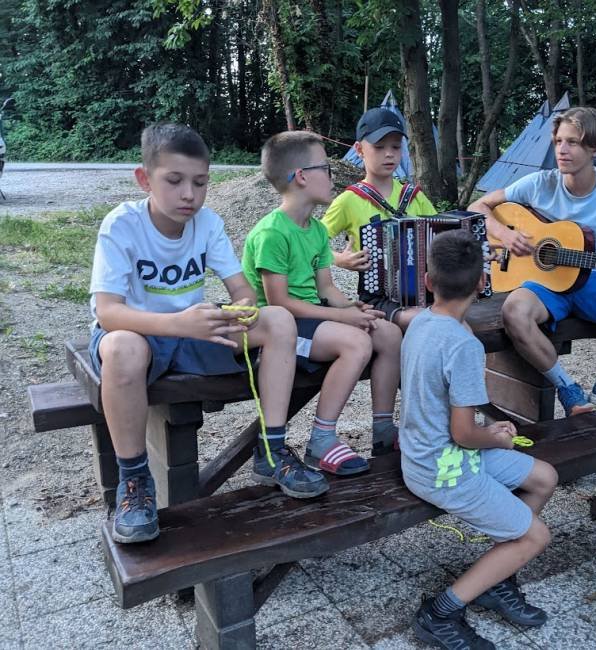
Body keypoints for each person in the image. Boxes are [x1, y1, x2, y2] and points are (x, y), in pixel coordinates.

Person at [89, 123, 302, 544]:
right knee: (122, 348)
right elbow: (108, 312)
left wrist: (242, 310)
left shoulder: (207, 223)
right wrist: (178, 324)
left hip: (192, 334)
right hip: (138, 334)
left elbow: (242, 290)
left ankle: (272, 447)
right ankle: (134, 480)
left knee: (279, 320)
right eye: (175, 181)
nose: (189, 194)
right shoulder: (123, 224)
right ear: (144, 179)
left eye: (200, 183)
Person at [400, 229, 558, 649]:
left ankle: (496, 578)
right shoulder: (462, 347)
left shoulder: (421, 322)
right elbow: (465, 433)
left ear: (428, 282)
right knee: (537, 536)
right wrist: (496, 437)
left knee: (544, 477)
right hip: (442, 469)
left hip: (430, 455)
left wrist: (486, 437)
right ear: (482, 283)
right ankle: (440, 613)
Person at [468, 106, 596, 422]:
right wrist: (505, 234)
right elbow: (478, 206)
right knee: (514, 311)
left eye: (572, 142)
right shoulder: (538, 183)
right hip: (544, 285)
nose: (562, 150)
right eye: (558, 141)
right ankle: (567, 387)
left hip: (593, 281)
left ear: (595, 148)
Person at [243, 130, 404, 472]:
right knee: (357, 343)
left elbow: (326, 288)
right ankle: (321, 439)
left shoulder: (316, 230)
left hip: (311, 319)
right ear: (301, 176)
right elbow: (280, 303)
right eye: (326, 169)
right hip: (279, 329)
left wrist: (351, 308)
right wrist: (343, 319)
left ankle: (383, 430)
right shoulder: (272, 233)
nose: (334, 177)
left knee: (388, 334)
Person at [321, 107, 437, 330]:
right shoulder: (348, 200)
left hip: (426, 291)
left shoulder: (414, 196)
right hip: (378, 297)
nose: (389, 154)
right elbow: (309, 243)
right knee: (426, 321)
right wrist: (338, 259)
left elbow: (445, 238)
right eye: (379, 147)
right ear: (359, 149)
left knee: (450, 319)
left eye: (396, 146)